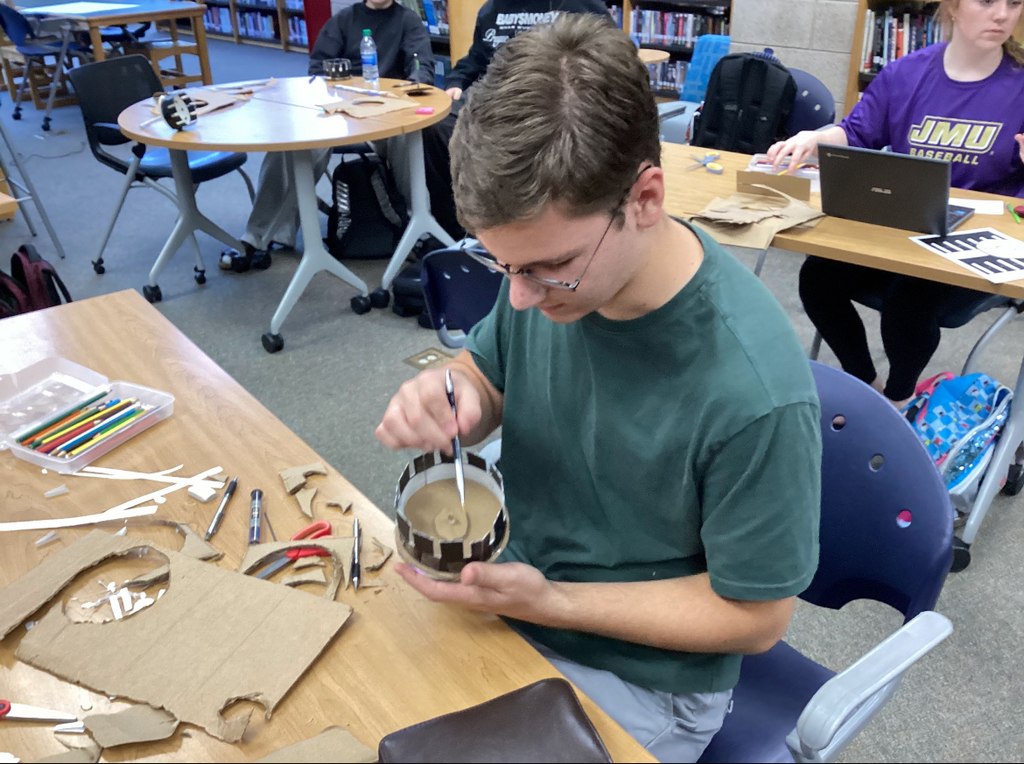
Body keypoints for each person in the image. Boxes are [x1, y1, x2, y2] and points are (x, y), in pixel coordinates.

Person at [376, 15, 821, 762]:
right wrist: (456, 395)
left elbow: (755, 618)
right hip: (521, 601)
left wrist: (554, 601)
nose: (519, 299)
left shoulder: (753, 391)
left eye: (546, 267)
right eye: (500, 265)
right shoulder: (555, 277)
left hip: (649, 680)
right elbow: (489, 375)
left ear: (645, 197)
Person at [768, 0, 1024, 407]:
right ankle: (868, 387)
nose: (1002, 14)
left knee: (909, 300)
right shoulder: (907, 73)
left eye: (1014, 3)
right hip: (904, 225)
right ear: (954, 7)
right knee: (817, 278)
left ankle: (899, 401)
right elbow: (856, 133)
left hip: (977, 245)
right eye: (987, 0)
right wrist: (814, 139)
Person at [221, 0, 434, 271]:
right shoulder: (345, 20)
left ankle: (418, 227)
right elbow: (318, 68)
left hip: (387, 115)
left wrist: (416, 80)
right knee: (291, 142)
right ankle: (259, 235)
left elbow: (422, 65)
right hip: (340, 115)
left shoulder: (408, 21)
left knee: (409, 137)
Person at [422, 0, 609, 241]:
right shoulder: (492, 9)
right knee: (434, 127)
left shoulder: (581, 4)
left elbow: (606, 55)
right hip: (490, 98)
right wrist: (456, 81)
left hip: (549, 99)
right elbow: (477, 57)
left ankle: (532, 227)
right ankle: (455, 230)